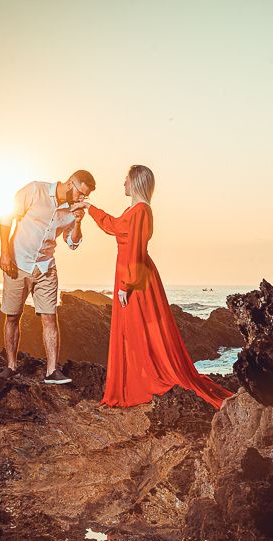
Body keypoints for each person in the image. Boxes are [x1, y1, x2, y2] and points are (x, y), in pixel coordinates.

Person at [72, 165, 234, 409]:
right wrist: (88, 207)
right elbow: (113, 226)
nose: (123, 183)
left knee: (139, 331)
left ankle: (142, 384)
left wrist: (126, 285)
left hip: (135, 278)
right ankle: (137, 381)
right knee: (136, 331)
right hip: (131, 275)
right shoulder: (135, 210)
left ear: (136, 182)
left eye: (126, 179)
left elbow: (136, 248)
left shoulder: (140, 211)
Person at [0, 170, 96, 384]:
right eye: (80, 194)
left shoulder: (72, 211)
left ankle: (51, 372)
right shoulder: (34, 190)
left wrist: (77, 222)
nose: (81, 199)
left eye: (85, 197)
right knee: (12, 316)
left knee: (50, 317)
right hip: (17, 263)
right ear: (70, 184)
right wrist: (4, 253)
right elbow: (5, 218)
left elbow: (73, 243)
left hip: (46, 267)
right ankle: (11, 366)